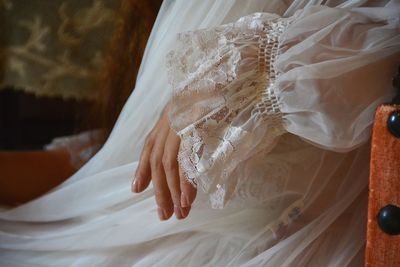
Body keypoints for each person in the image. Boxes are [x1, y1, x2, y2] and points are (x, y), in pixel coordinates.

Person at [1, 0, 399, 266]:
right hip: (144, 226)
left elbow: (375, 51)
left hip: (266, 238)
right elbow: (119, 164)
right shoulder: (171, 21)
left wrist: (238, 71)